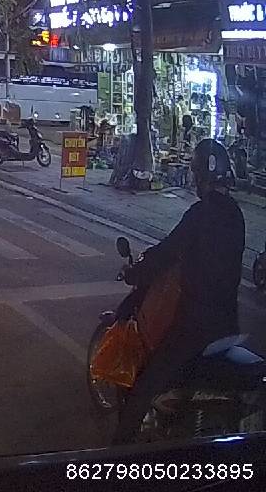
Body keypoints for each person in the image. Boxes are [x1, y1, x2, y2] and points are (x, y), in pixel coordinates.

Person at [112, 139, 245, 444]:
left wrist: (136, 273)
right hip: (228, 323)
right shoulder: (235, 214)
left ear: (200, 175)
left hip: (195, 326)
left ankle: (117, 455)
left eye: (195, 173)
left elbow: (167, 252)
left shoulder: (200, 214)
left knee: (144, 386)